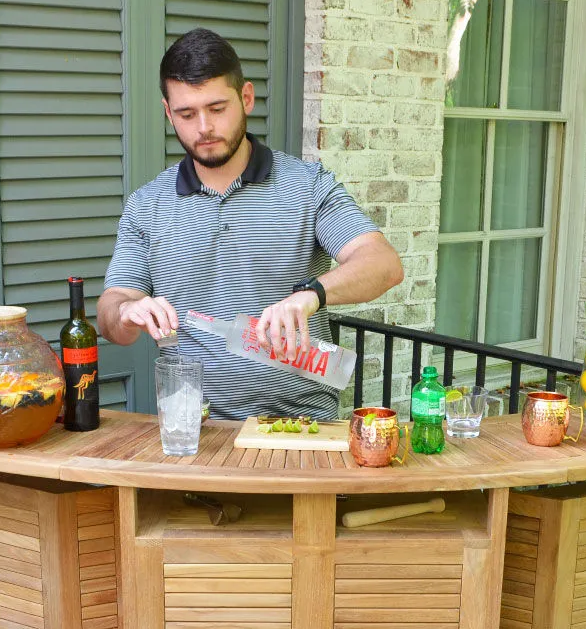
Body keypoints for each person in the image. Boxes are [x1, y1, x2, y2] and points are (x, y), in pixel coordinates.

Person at [97, 27, 403, 421]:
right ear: (168, 112)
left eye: (217, 108)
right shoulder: (147, 205)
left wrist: (310, 295)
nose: (203, 127)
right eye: (187, 114)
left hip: (301, 423)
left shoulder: (307, 185)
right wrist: (127, 313)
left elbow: (383, 264)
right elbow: (110, 313)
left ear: (246, 98)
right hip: (195, 426)